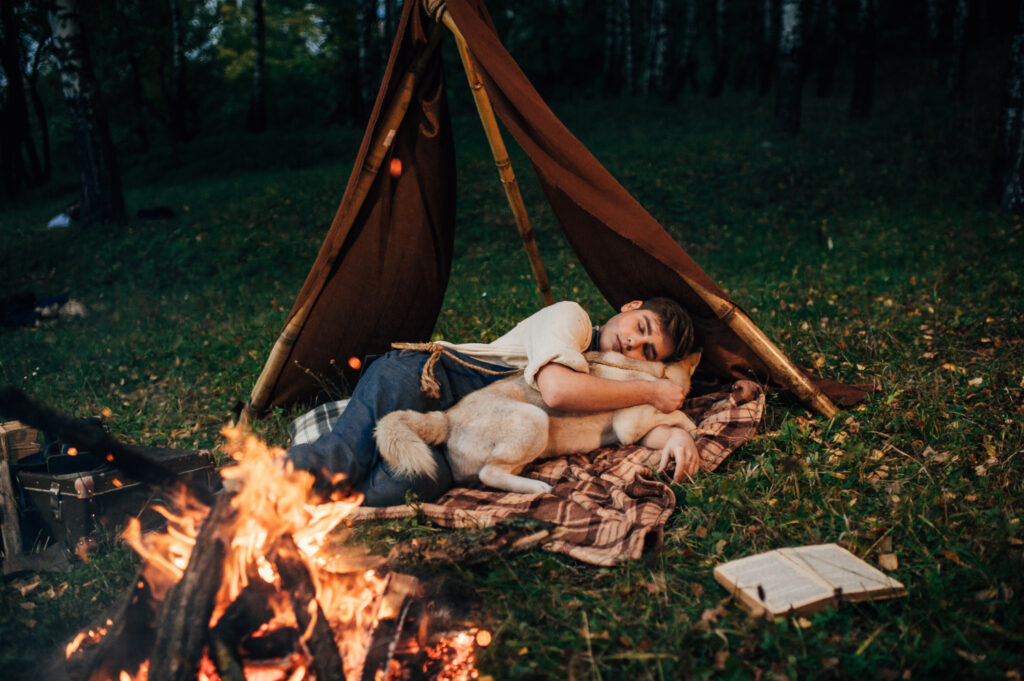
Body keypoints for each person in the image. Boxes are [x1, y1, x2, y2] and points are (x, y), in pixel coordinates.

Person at [287, 297, 698, 506]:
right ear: (629, 308)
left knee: (398, 490)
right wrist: (652, 391)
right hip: (428, 378)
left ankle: (290, 513)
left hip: (466, 435)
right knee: (341, 459)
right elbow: (557, 391)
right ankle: (233, 489)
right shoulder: (573, 319)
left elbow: (627, 419)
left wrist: (677, 435)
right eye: (640, 328)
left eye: (647, 352)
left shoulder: (604, 373)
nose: (633, 344)